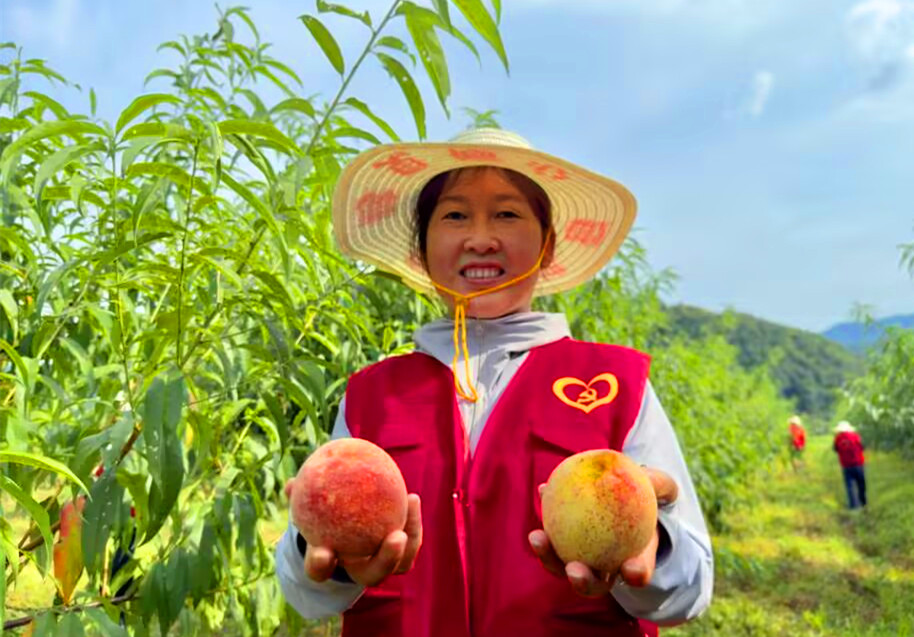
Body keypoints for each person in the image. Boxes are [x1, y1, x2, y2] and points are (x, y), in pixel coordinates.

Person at [275, 128, 713, 637]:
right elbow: (304, 592)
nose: (480, 238)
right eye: (454, 216)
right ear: (421, 249)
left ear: (548, 244)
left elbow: (693, 588)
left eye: (507, 214)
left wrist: (648, 547)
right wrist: (329, 556)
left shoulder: (615, 385)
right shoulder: (372, 395)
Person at [833, 420, 866, 509]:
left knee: (850, 486)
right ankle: (863, 502)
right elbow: (862, 447)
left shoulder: (838, 439)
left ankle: (853, 505)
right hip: (858, 464)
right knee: (861, 483)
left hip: (846, 465)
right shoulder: (855, 436)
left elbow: (835, 449)